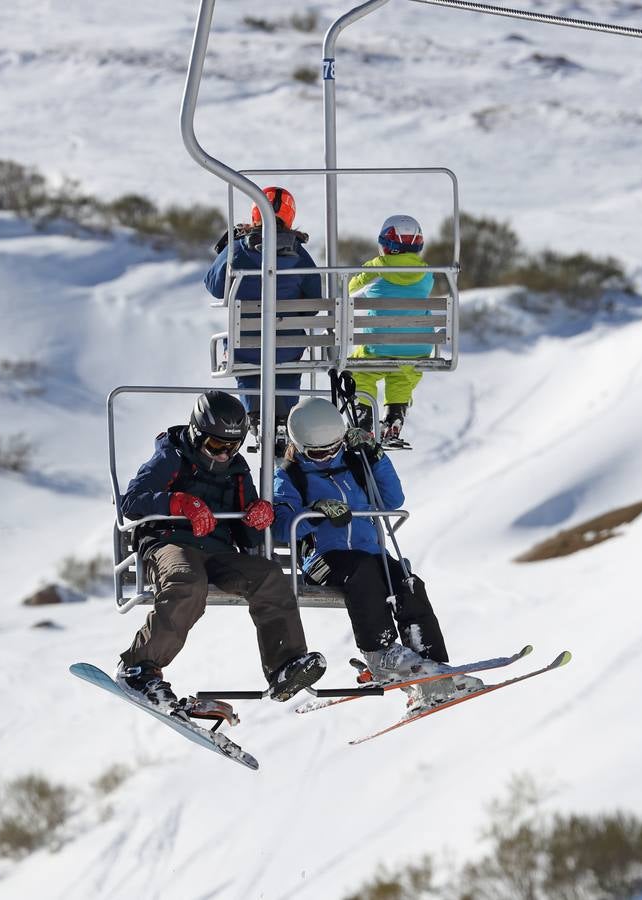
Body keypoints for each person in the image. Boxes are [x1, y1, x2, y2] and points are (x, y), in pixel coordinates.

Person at [116, 390, 326, 720]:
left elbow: (248, 535)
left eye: (233, 446)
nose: (224, 454)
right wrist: (177, 503)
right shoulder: (171, 455)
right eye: (216, 446)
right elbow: (132, 500)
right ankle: (139, 667)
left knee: (269, 575)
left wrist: (257, 517)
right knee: (187, 582)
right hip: (170, 543)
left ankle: (285, 664)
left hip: (218, 551)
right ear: (197, 434)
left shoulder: (237, 469)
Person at [270, 397, 480, 712]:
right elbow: (279, 525)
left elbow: (392, 498)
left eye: (334, 447)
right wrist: (315, 513)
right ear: (299, 447)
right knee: (364, 572)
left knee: (407, 583)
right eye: (317, 452)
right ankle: (380, 654)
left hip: (369, 550)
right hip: (323, 559)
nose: (328, 456)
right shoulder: (290, 476)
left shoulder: (355, 463)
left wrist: (375, 455)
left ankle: (432, 669)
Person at [204, 186, 321, 453]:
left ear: (255, 213)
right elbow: (315, 298)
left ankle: (254, 414)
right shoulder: (299, 254)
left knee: (247, 360)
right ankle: (285, 418)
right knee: (286, 360)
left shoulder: (239, 249)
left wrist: (227, 248)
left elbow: (213, 284)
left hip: (246, 347)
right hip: (288, 346)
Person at [347, 214, 435, 446]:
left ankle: (364, 423)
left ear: (386, 245)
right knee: (403, 375)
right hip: (417, 348)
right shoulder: (428, 273)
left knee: (361, 371)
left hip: (378, 347)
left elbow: (351, 291)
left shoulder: (377, 269)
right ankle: (394, 418)